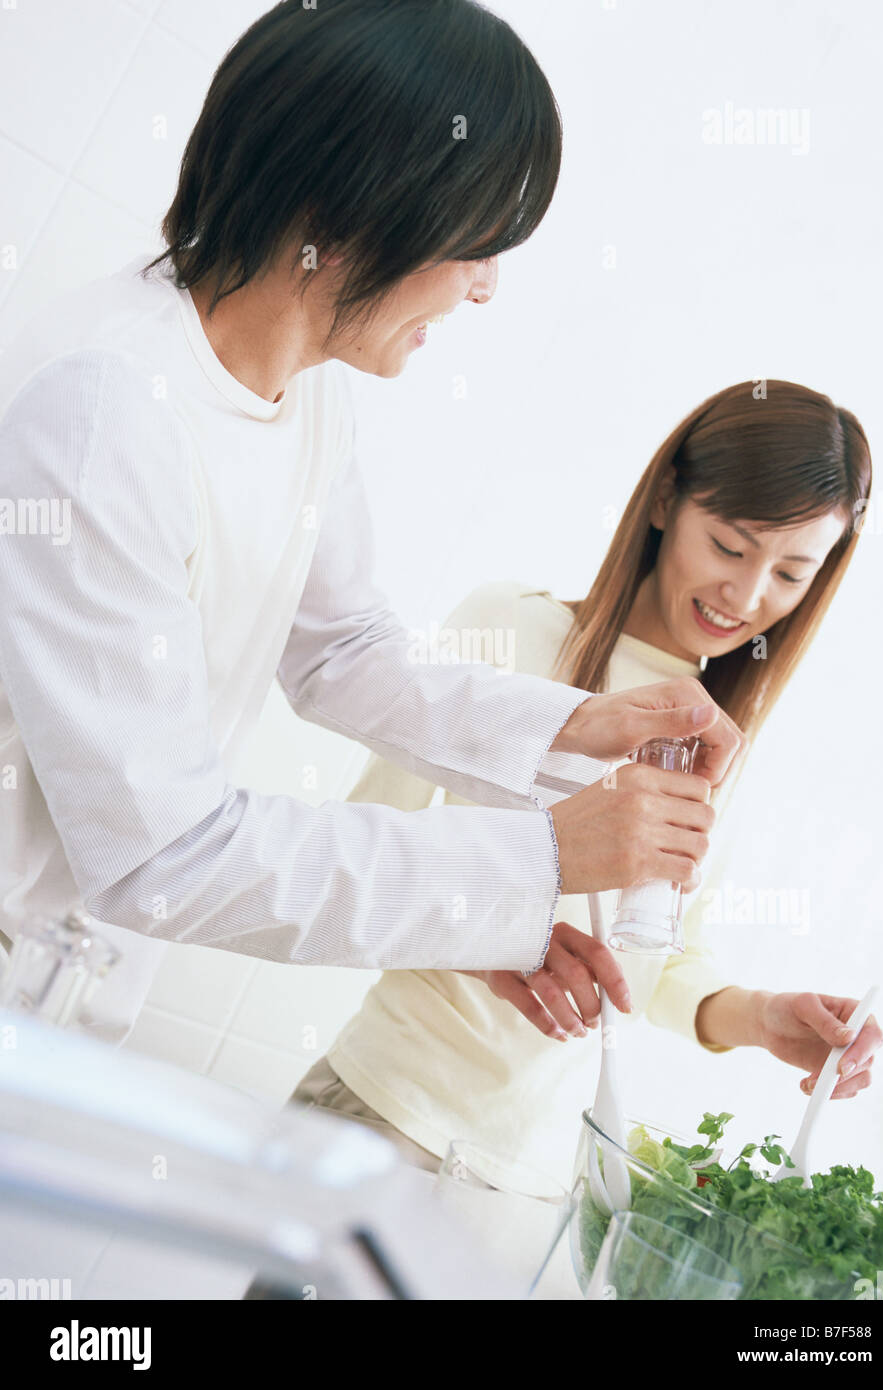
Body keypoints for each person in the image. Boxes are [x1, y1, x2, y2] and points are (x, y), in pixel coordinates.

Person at [0, 0, 741, 1047]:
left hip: (62, 996)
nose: (485, 289)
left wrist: (574, 730)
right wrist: (541, 858)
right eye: (480, 243)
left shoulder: (304, 391)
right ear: (353, 214)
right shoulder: (108, 410)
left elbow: (342, 652)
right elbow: (161, 855)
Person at [292, 379, 883, 1183]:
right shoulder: (514, 628)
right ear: (666, 500)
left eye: (790, 574)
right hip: (385, 1115)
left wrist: (764, 1019)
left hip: (534, 1179)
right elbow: (361, 850)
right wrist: (501, 941)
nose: (746, 596)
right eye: (731, 547)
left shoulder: (717, 741)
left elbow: (660, 963)